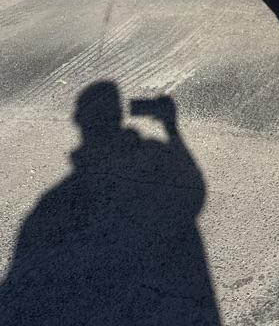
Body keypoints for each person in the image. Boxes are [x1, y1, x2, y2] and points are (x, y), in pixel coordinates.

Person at [0, 82, 221, 325]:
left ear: (80, 121)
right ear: (118, 116)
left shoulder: (60, 201)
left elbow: (21, 289)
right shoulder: (154, 160)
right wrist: (172, 129)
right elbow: (193, 193)